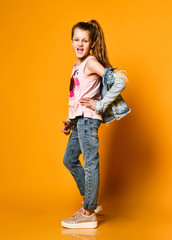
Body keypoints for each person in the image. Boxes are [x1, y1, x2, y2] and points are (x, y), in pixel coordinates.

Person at [61, 20, 131, 229]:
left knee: (90, 163)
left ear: (92, 43)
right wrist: (69, 119)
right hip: (78, 121)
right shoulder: (77, 65)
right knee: (69, 159)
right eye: (76, 40)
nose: (80, 43)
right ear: (71, 41)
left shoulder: (90, 62)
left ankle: (88, 211)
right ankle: (92, 202)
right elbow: (78, 96)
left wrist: (99, 104)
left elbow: (119, 81)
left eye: (84, 40)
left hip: (89, 120)